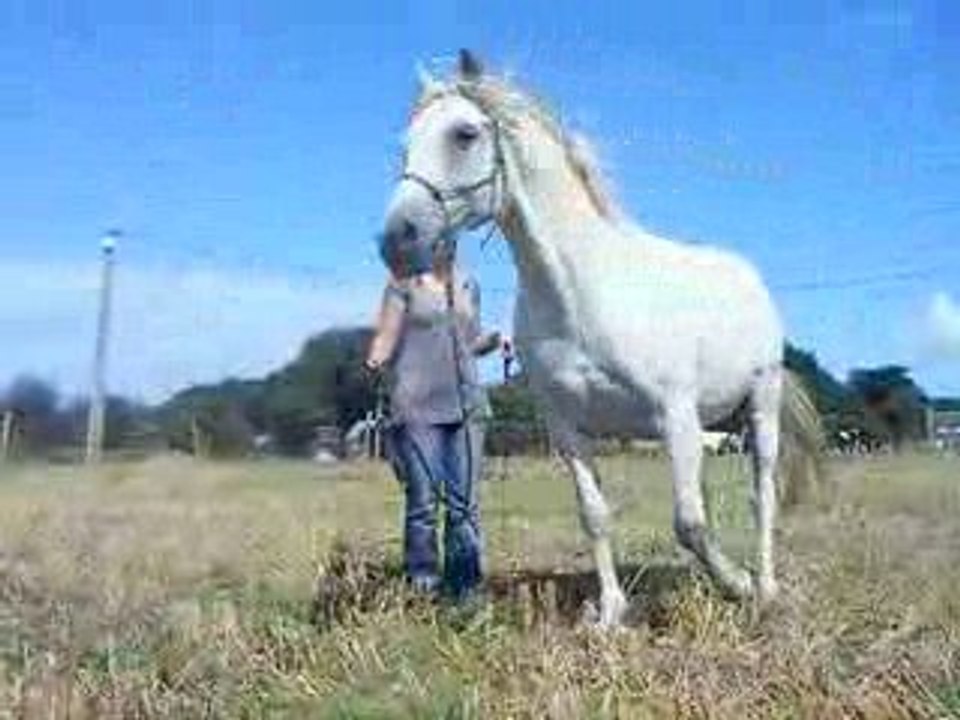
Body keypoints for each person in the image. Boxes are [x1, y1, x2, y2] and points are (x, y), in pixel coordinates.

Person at [364, 232, 502, 603]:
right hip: (417, 405)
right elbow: (387, 335)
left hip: (467, 403)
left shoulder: (469, 283)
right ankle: (422, 584)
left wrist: (495, 341)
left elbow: (470, 339)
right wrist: (376, 359)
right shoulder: (402, 284)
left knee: (464, 504)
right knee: (423, 502)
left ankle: (464, 587)